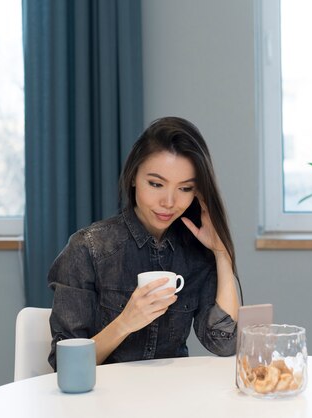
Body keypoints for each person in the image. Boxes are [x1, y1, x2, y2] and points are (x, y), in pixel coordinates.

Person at [47, 116, 240, 369]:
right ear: (133, 177)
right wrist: (126, 322)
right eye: (156, 184)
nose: (169, 202)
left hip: (171, 399)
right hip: (105, 403)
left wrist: (221, 253)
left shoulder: (196, 253)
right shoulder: (88, 249)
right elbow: (65, 365)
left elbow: (224, 344)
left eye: (184, 188)